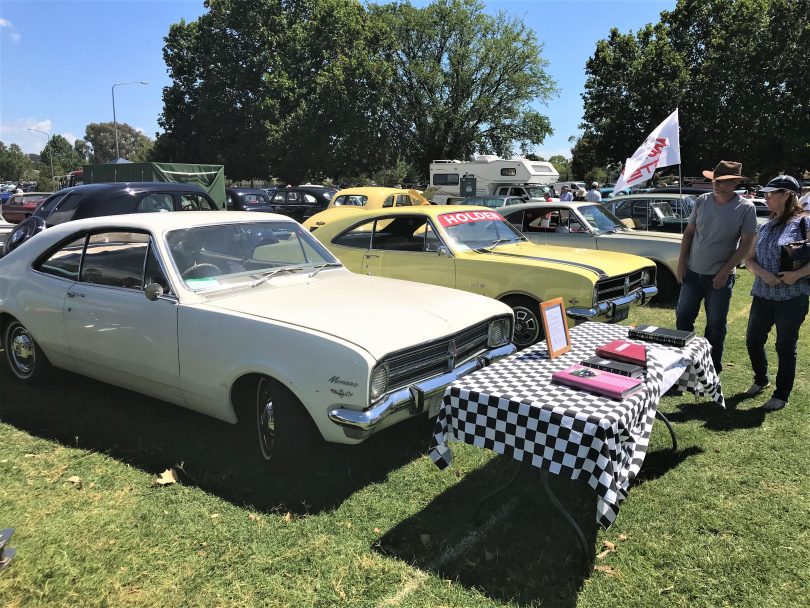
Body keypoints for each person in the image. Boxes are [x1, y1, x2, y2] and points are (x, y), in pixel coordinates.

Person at [675, 160, 757, 374]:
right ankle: (685, 366)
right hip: (692, 273)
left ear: (734, 183)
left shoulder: (746, 208)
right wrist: (681, 263)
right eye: (714, 180)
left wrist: (725, 271)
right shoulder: (701, 201)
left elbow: (745, 245)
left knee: (715, 326)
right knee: (683, 319)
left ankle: (711, 370)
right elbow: (689, 233)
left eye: (721, 182)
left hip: (719, 279)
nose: (715, 185)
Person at [743, 175, 810, 411]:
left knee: (784, 346)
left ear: (787, 195)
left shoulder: (804, 223)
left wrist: (795, 275)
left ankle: (781, 395)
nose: (766, 197)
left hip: (792, 298)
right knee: (753, 341)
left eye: (771, 194)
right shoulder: (766, 225)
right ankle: (761, 379)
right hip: (762, 294)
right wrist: (763, 273)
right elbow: (749, 259)